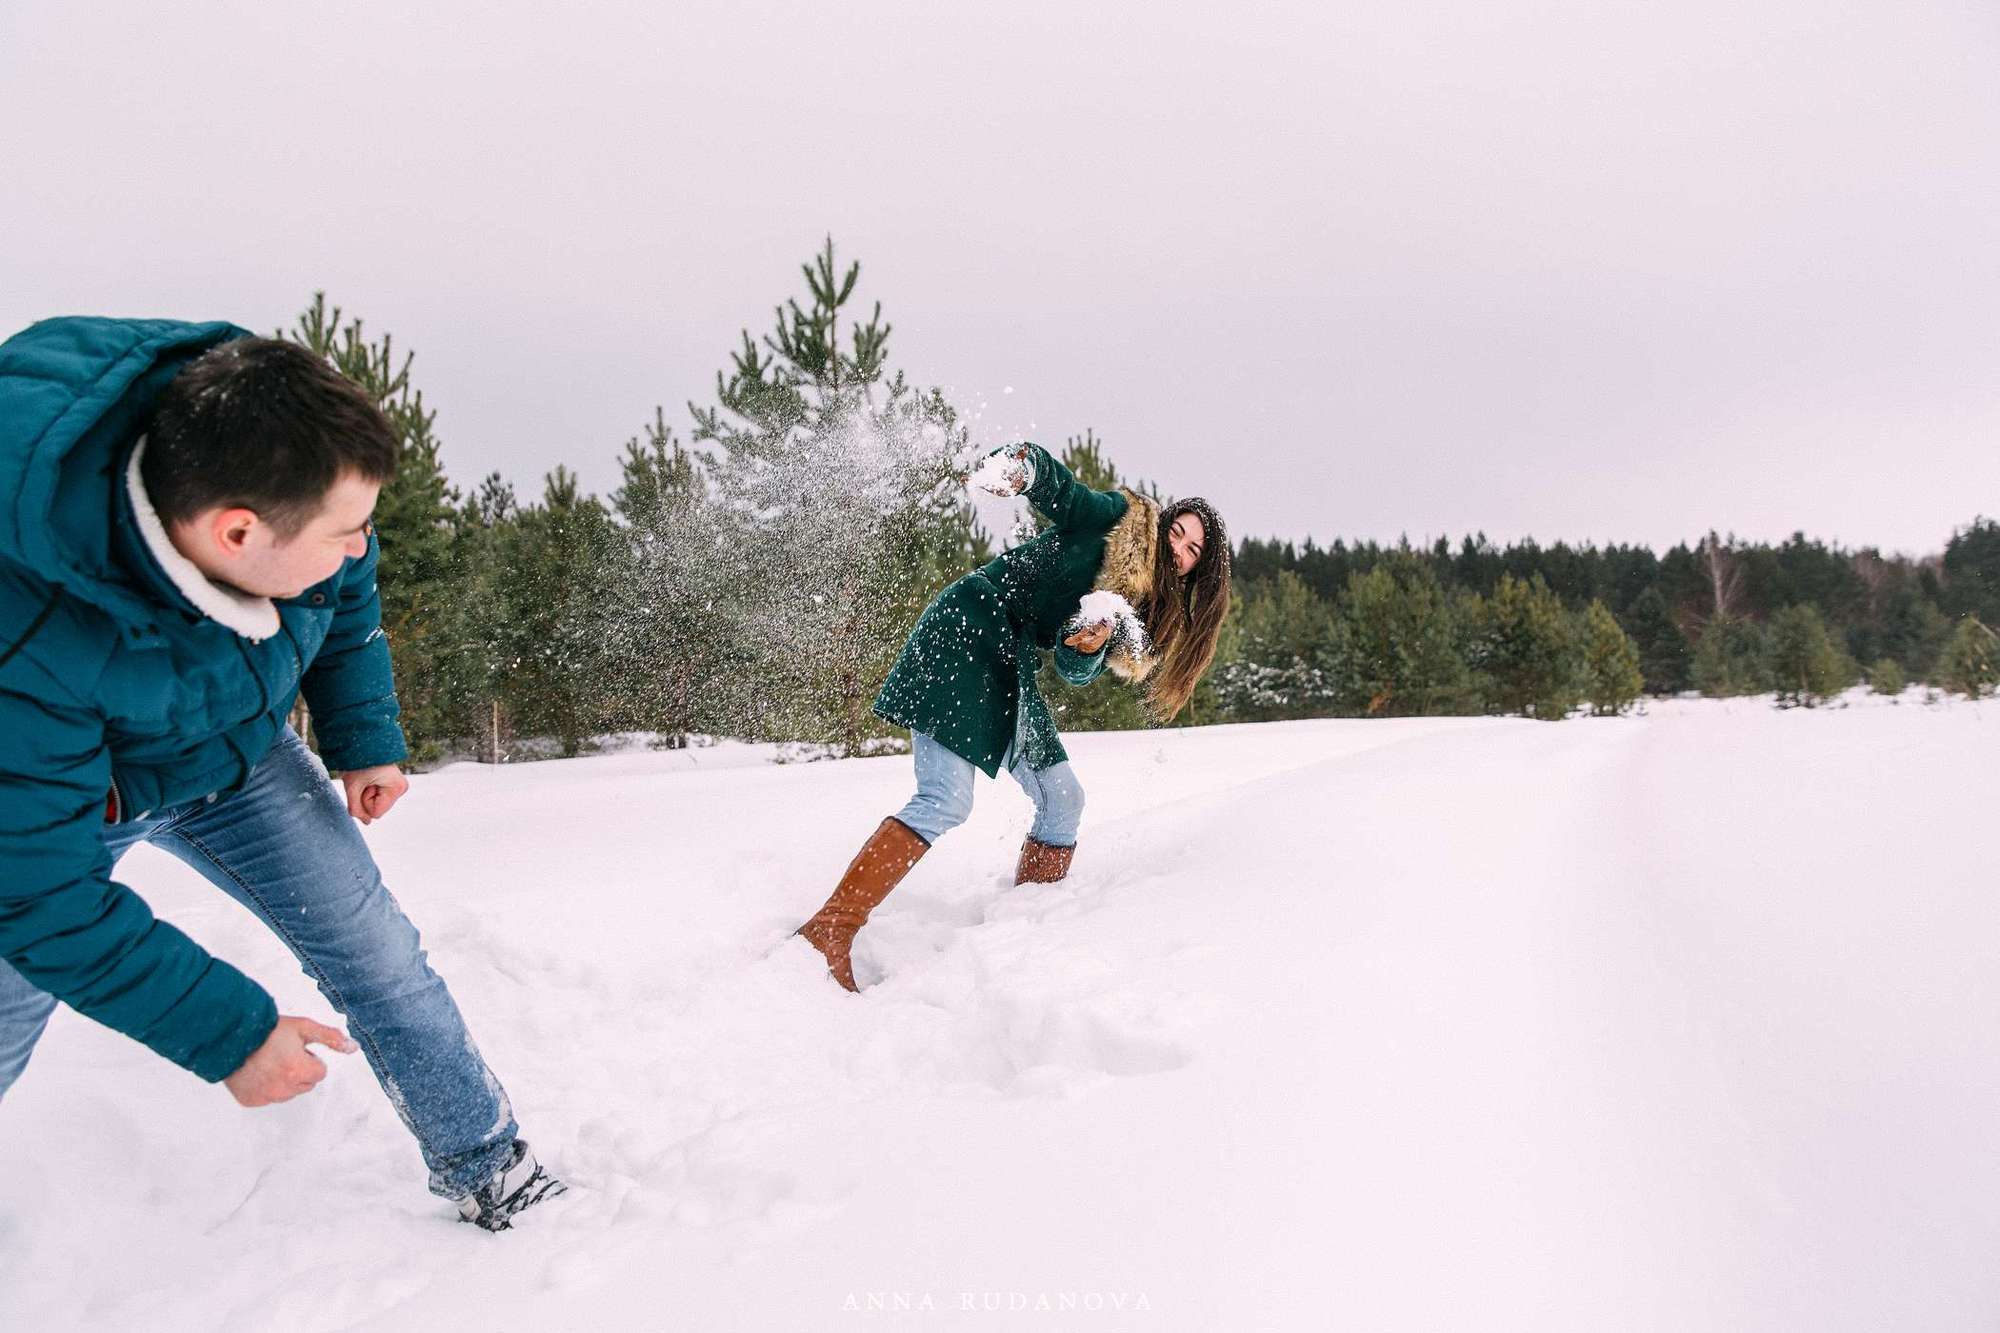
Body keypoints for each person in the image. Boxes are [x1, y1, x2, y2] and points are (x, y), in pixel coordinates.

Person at [0, 318, 562, 1231]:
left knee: (379, 955)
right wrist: (230, 1032)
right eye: (344, 530)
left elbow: (350, 583)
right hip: (74, 798)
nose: (358, 545)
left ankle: (488, 1162)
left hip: (239, 755)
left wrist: (362, 732)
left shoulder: (272, 460)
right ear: (236, 533)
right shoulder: (24, 625)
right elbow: (35, 898)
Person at [795, 441, 1231, 991]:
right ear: (1163, 525)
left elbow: (1074, 670)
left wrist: (1087, 645)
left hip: (1009, 660)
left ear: (1198, 571)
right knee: (945, 799)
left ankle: (1026, 935)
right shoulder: (1120, 521)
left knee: (1063, 798)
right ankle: (830, 931)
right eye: (1178, 533)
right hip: (968, 627)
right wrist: (1022, 469)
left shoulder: (1135, 608)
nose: (1180, 550)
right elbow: (1065, 493)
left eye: (1193, 550)